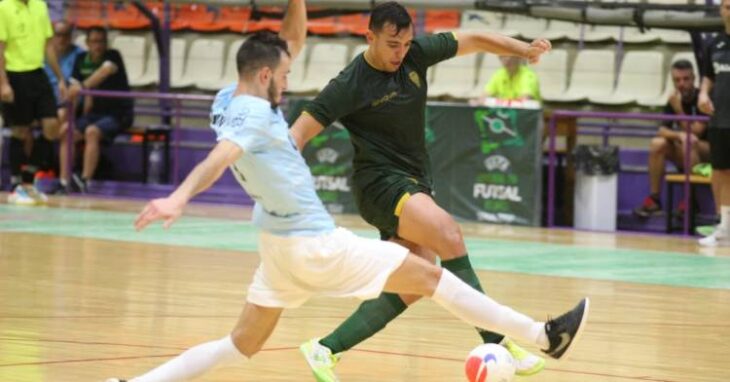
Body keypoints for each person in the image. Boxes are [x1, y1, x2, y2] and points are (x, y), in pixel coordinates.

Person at [105, 3, 589, 381]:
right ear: (267, 76)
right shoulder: (256, 119)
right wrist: (179, 196)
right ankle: (542, 336)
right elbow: (222, 157)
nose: (291, 79)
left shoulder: (228, 100)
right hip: (316, 242)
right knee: (435, 277)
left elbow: (291, 39)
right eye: (287, 75)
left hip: (276, 249)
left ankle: (137, 381)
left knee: (239, 345)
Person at [290, 2, 552, 379]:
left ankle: (324, 349)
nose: (400, 53)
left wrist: (523, 49)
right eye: (392, 44)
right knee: (449, 233)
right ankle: (498, 340)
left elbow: (475, 38)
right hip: (379, 184)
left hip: (415, 180)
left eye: (406, 43)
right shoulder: (349, 83)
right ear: (370, 37)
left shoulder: (415, 55)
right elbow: (297, 135)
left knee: (416, 281)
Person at [0, 0, 66, 205]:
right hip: (14, 74)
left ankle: (29, 183)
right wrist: (3, 83)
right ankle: (18, 185)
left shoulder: (40, 6)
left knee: (52, 126)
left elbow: (49, 47)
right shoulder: (4, 7)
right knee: (20, 131)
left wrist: (61, 78)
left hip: (38, 74)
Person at [633, 60, 711, 218]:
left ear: (693, 78)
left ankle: (690, 201)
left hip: (708, 152)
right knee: (657, 144)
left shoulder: (703, 99)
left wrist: (678, 110)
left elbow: (696, 132)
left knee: (689, 142)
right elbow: (662, 130)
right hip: (687, 148)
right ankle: (655, 199)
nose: (681, 84)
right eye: (677, 80)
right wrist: (679, 135)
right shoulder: (674, 99)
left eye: (685, 79)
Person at [60, 26, 133, 193]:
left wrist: (83, 87)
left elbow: (103, 72)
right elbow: (73, 88)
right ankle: (64, 182)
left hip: (117, 113)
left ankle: (84, 181)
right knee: (66, 130)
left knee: (92, 132)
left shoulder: (113, 56)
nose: (97, 45)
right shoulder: (80, 59)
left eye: (101, 42)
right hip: (93, 113)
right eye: (93, 42)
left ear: (106, 43)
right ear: (87, 43)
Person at [698, 0, 730, 247]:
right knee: (719, 170)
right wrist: (703, 94)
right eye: (727, 6)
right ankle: (723, 225)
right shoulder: (715, 44)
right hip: (720, 118)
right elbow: (708, 76)